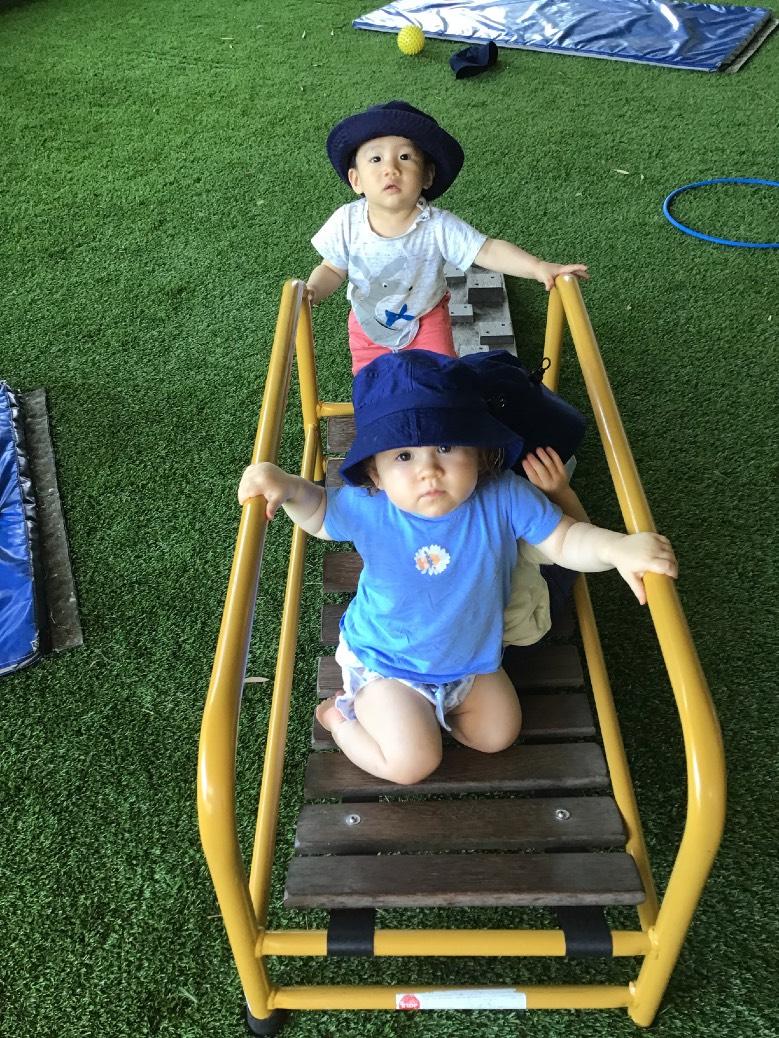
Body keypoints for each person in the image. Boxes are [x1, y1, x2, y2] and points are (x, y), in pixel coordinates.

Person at [238, 352, 677, 786]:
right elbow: (319, 513)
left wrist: (619, 548)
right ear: (375, 474)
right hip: (390, 663)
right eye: (403, 456)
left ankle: (429, 715)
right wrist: (287, 485)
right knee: (412, 763)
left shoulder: (504, 496)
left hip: (469, 663)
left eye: (446, 447)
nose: (429, 470)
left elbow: (564, 539)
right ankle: (341, 719)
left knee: (497, 735)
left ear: (478, 451)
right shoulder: (372, 507)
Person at [306, 100, 589, 374]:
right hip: (368, 325)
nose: (390, 168)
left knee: (440, 379)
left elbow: (487, 250)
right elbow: (332, 268)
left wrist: (537, 267)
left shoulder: (437, 226)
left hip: (426, 320)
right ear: (356, 180)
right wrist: (312, 292)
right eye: (376, 159)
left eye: (404, 157)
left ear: (427, 176)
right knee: (374, 383)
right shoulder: (346, 222)